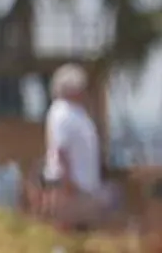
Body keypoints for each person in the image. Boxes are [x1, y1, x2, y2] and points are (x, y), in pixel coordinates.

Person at [41, 63, 106, 230]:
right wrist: (68, 182)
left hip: (84, 187)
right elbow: (61, 150)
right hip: (71, 187)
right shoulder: (62, 112)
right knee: (67, 232)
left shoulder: (77, 112)